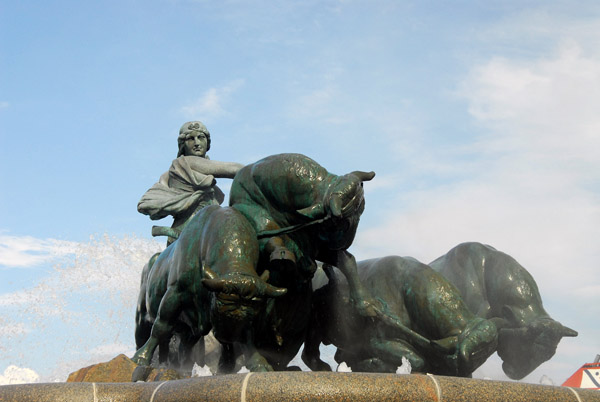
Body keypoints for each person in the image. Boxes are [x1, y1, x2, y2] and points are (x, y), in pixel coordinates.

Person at [138, 121, 244, 244]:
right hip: (196, 230)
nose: (197, 143)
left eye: (201, 138)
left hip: (191, 230)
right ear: (182, 145)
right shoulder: (188, 162)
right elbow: (235, 169)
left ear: (207, 143)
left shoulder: (170, 173)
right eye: (190, 139)